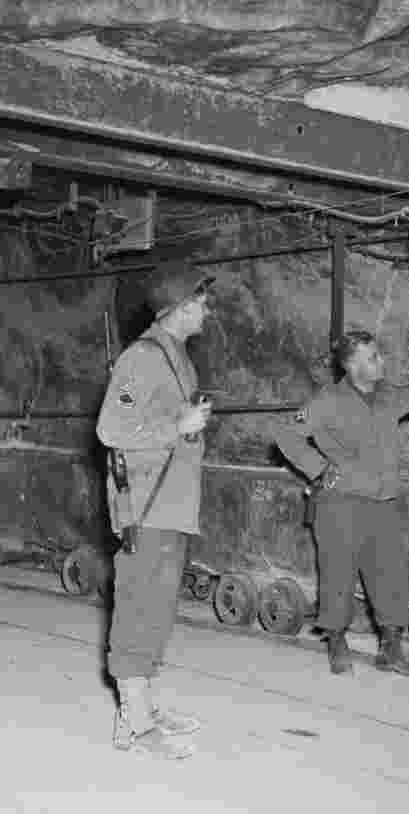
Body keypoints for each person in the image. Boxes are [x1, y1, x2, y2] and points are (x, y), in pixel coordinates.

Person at [273, 330, 409, 677]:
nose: (381, 361)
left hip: (382, 502)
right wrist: (319, 470)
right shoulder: (328, 400)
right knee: (338, 573)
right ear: (351, 366)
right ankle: (337, 643)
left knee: (391, 575)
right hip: (340, 503)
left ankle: (391, 649)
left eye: (379, 354)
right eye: (372, 358)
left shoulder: (388, 397)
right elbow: (286, 434)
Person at [97, 261, 215, 760]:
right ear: (179, 306)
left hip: (172, 502)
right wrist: (179, 425)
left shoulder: (176, 357)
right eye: (202, 301)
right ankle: (135, 725)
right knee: (139, 606)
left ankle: (143, 704)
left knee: (158, 608)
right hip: (146, 505)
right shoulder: (143, 358)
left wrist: (183, 423)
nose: (209, 309)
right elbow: (111, 430)